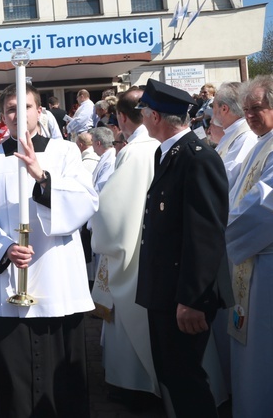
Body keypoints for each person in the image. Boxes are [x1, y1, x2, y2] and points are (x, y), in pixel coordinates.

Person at [0, 84, 98, 417]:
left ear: (39, 111)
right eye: (11, 108)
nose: (18, 114)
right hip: (10, 281)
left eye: (25, 107)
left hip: (56, 277)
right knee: (9, 381)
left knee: (62, 382)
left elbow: (86, 202)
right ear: (3, 116)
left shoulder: (65, 152)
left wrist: (42, 179)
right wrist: (4, 248)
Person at [135, 79, 232, 418]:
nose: (143, 118)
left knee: (186, 381)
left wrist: (191, 299)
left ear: (156, 117)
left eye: (145, 113)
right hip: (165, 292)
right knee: (172, 378)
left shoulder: (197, 158)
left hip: (183, 296)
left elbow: (205, 236)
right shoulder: (171, 154)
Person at [90, 87, 162, 403]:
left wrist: (97, 230)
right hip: (156, 251)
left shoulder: (133, 151)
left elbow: (111, 214)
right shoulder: (161, 144)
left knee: (132, 323)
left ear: (120, 117)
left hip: (132, 254)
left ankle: (134, 386)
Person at [225, 75, 273, 418]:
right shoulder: (261, 144)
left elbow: (264, 206)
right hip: (250, 260)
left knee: (263, 353)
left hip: (267, 264)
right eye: (246, 110)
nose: (250, 116)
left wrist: (220, 233)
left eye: (257, 108)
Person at [212, 81, 258, 186]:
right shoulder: (231, 133)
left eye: (213, 106)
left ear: (224, 109)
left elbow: (228, 176)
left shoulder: (246, 137)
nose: (212, 111)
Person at [90, 127, 116, 193]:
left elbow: (101, 187)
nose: (91, 145)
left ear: (98, 143)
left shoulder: (110, 160)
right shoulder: (106, 157)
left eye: (92, 141)